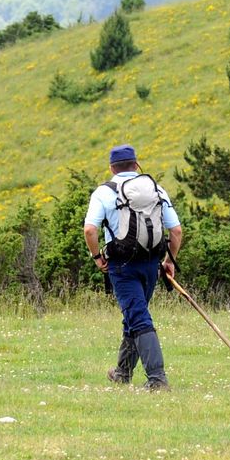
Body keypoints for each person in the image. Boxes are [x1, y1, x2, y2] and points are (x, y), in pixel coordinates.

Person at [83, 144, 182, 391]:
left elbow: (90, 229)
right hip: (151, 264)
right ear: (137, 165)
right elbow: (176, 230)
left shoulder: (103, 193)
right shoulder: (156, 189)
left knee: (137, 316)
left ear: (111, 168)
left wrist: (97, 257)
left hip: (122, 266)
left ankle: (157, 379)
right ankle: (122, 373)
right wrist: (169, 262)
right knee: (134, 313)